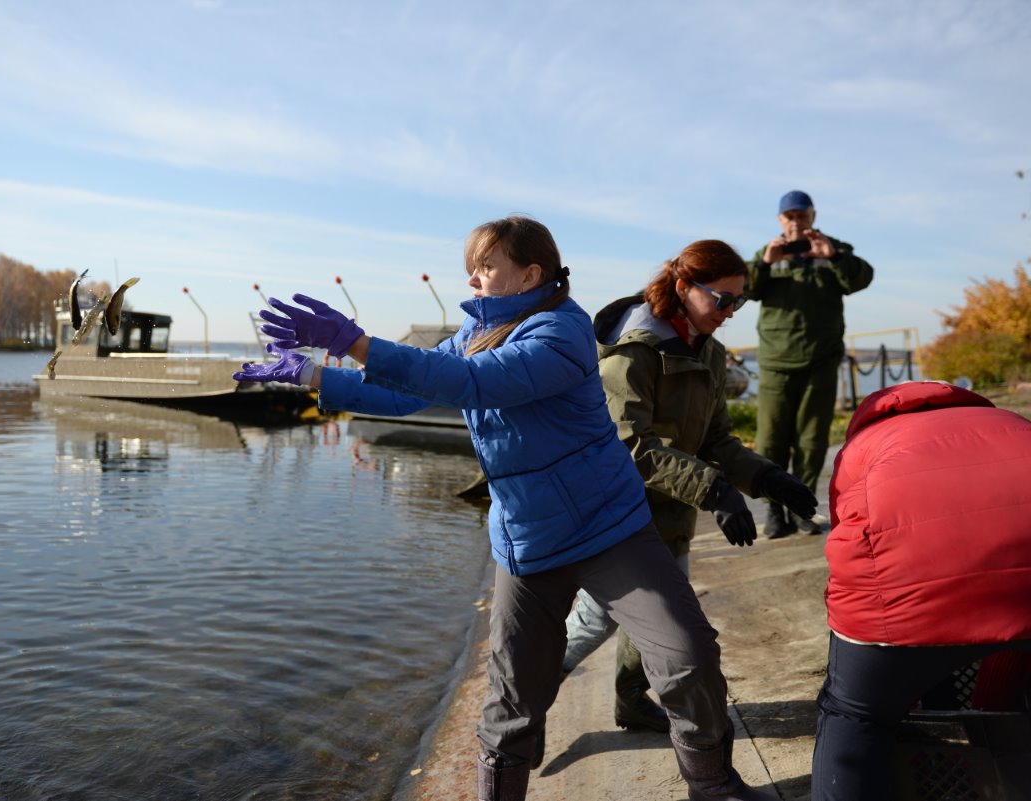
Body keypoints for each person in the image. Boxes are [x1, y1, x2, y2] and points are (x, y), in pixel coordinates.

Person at [234, 216, 775, 801]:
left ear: (531, 273)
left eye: (486, 265)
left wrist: (358, 342)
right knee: (514, 700)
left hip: (610, 528)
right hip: (529, 542)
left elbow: (474, 383)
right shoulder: (474, 333)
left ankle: (713, 784)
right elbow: (409, 390)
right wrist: (317, 374)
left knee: (687, 654)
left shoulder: (561, 332)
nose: (473, 275)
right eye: (472, 264)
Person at [560, 240, 815, 733]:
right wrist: (715, 491)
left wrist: (770, 479)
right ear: (683, 287)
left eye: (738, 302)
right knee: (596, 620)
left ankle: (631, 701)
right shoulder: (634, 352)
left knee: (663, 616)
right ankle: (517, 711)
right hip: (617, 512)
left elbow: (716, 438)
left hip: (670, 512)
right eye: (722, 300)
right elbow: (629, 446)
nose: (730, 312)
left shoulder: (709, 352)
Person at [812, 381, 1031, 801]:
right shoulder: (1011, 422)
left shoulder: (863, 444)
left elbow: (848, 533)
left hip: (901, 596)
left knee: (855, 714)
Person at [744, 190, 873, 538]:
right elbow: (744, 290)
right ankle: (773, 511)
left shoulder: (833, 248)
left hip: (821, 360)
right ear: (780, 220)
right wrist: (763, 265)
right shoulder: (767, 252)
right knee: (771, 440)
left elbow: (861, 278)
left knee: (812, 440)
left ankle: (801, 508)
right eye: (790, 216)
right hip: (775, 362)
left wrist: (833, 258)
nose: (796, 222)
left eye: (802, 215)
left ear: (813, 216)